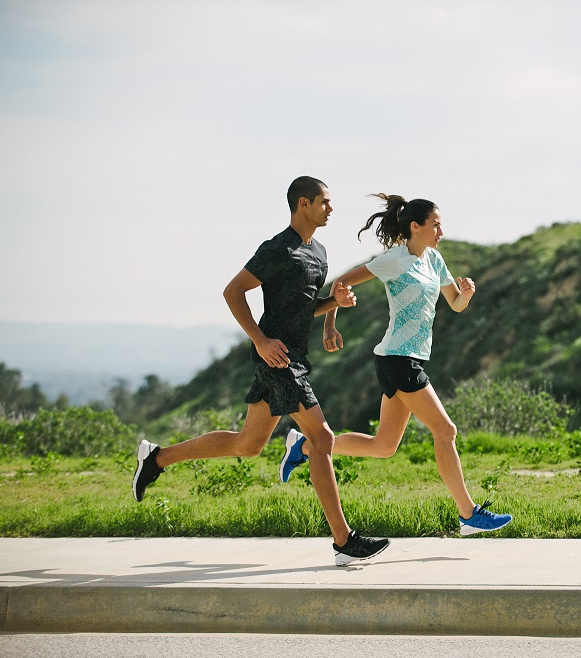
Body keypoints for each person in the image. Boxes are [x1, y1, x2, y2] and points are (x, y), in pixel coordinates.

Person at [132, 176, 389, 566]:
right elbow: (233, 291)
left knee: (247, 445)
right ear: (303, 203)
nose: (331, 209)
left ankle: (156, 459)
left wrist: (332, 307)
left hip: (295, 356)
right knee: (321, 439)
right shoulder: (277, 248)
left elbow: (305, 307)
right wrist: (259, 340)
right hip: (277, 359)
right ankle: (344, 541)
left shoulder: (318, 252)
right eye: (325, 201)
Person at [278, 193, 512, 536]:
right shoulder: (394, 260)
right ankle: (468, 514)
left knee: (383, 447)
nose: (441, 231)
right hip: (398, 359)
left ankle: (303, 446)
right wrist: (330, 322)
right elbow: (340, 284)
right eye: (435, 225)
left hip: (406, 358)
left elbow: (456, 304)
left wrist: (467, 294)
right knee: (445, 431)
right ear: (415, 227)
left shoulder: (434, 260)